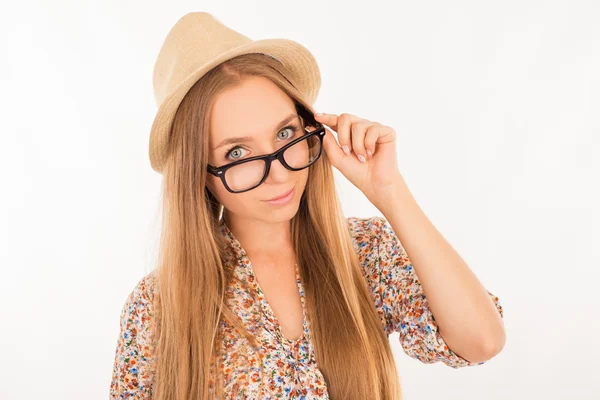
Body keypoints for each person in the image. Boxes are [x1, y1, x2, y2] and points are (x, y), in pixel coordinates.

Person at [109, 12, 505, 400]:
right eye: (236, 152)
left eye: (285, 133)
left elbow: (481, 342)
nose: (279, 173)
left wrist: (390, 192)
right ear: (198, 173)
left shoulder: (363, 252)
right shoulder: (158, 306)